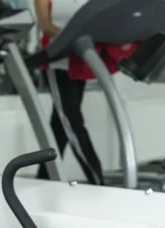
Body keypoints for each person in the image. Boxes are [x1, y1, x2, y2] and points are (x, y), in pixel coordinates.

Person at [33, 0, 104, 185]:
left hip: (77, 61)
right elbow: (45, 26)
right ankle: (96, 177)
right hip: (56, 62)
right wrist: (71, 38)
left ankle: (44, 178)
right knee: (72, 122)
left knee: (60, 123)